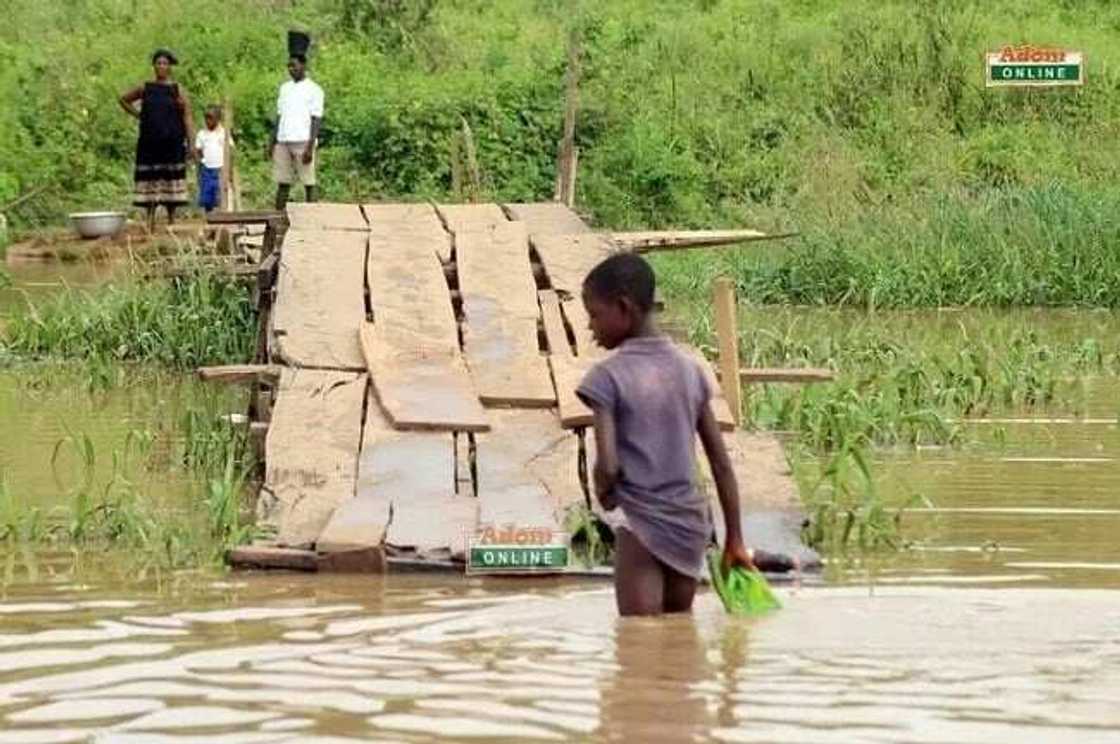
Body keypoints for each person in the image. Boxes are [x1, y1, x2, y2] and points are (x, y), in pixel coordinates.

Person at [576, 253, 754, 616]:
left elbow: (607, 465)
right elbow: (721, 465)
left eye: (595, 315)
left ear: (624, 308)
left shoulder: (606, 378)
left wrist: (605, 495)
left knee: (639, 642)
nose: (591, 328)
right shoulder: (691, 371)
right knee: (677, 632)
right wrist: (734, 538)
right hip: (690, 525)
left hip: (642, 524)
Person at [119, 49, 194, 231]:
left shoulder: (177, 90)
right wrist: (139, 115)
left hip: (173, 141)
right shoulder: (145, 88)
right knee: (150, 179)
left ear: (170, 67)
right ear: (153, 66)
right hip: (149, 142)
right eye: (158, 63)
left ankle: (171, 219)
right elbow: (123, 100)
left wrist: (191, 143)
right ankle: (150, 219)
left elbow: (187, 116)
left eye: (165, 63)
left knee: (171, 177)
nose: (161, 66)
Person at [269, 31, 323, 210]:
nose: (291, 69)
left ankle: (312, 216)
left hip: (302, 141)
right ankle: (278, 216)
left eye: (294, 66)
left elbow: (316, 119)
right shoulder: (285, 88)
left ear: (303, 66)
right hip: (284, 141)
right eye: (289, 66)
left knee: (309, 181)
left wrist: (310, 146)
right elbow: (279, 116)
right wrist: (272, 142)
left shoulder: (314, 90)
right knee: (282, 182)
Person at [194, 105, 228, 214]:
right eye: (206, 118)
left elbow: (229, 150)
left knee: (219, 195)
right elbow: (198, 150)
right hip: (207, 169)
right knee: (207, 198)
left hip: (220, 169)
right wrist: (200, 164)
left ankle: (220, 218)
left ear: (217, 119)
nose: (208, 121)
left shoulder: (223, 133)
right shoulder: (202, 134)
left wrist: (228, 169)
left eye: (210, 118)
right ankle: (209, 220)